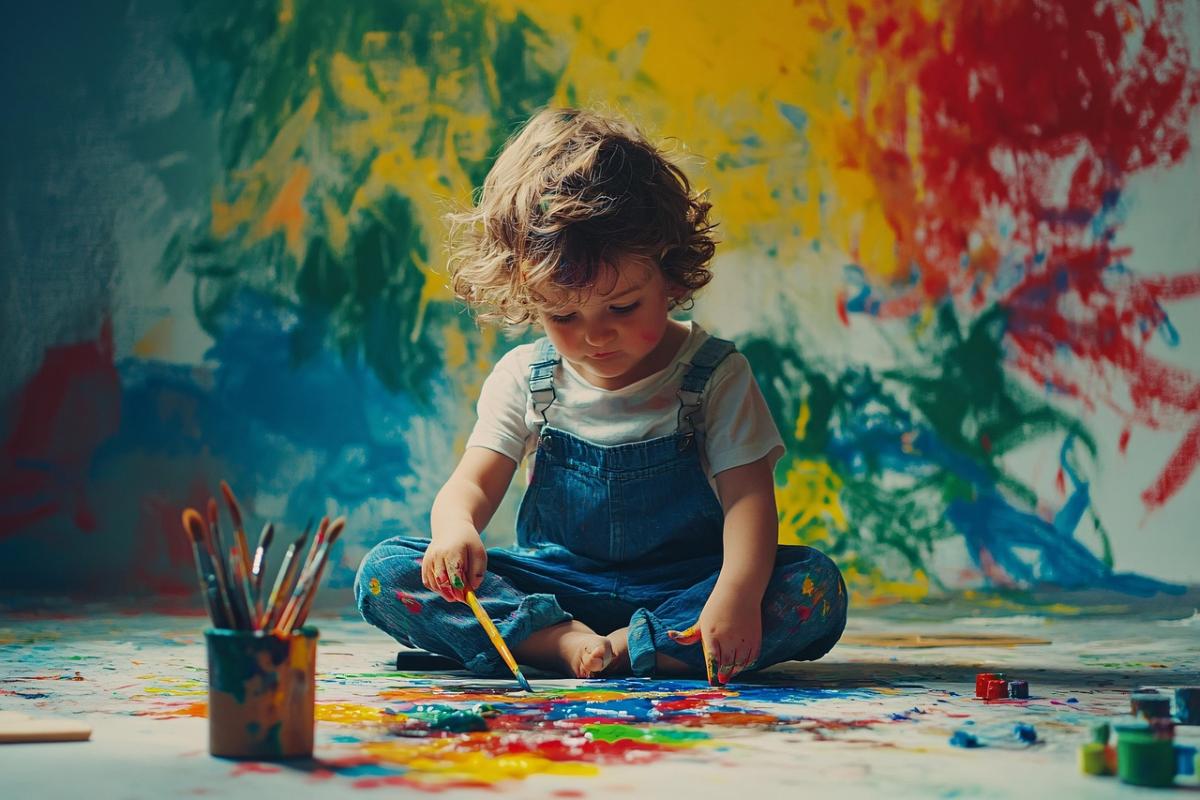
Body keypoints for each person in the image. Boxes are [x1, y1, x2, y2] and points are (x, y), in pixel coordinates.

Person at [355, 107, 846, 685]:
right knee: (387, 570)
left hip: (685, 591)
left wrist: (735, 595)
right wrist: (454, 530)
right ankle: (559, 643)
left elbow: (749, 503)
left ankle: (632, 648)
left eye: (623, 306)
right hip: (556, 589)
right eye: (563, 315)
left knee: (813, 584)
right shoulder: (526, 377)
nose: (595, 335)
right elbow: (471, 485)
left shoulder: (715, 375)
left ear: (670, 274)